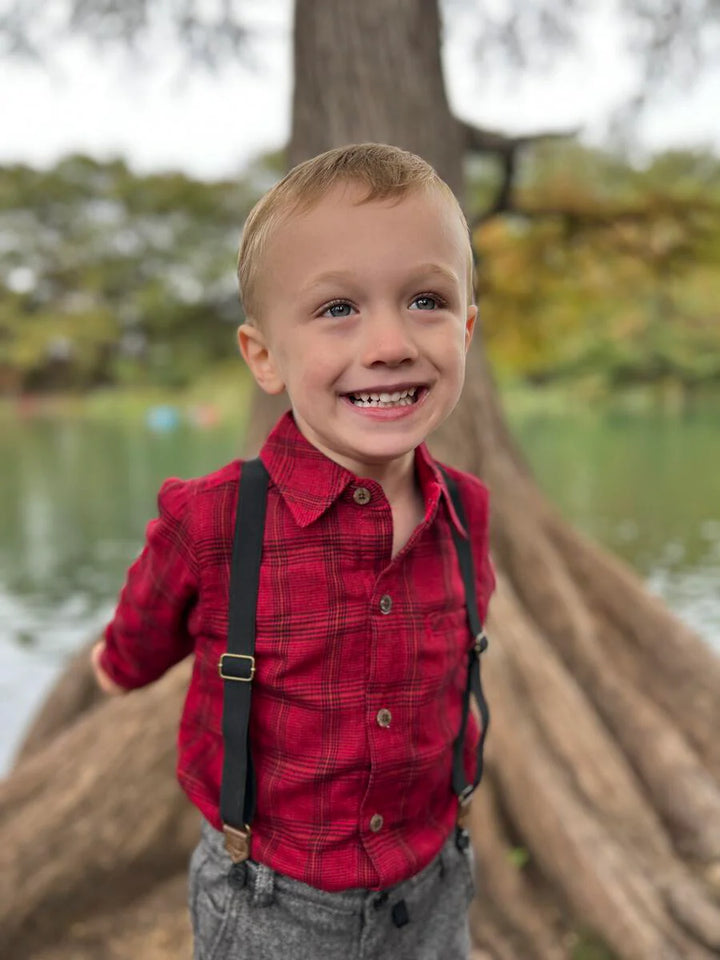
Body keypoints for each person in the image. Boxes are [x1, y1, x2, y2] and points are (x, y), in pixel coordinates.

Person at [91, 142, 495, 960]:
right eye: (338, 309)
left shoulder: (466, 511)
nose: (389, 343)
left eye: (426, 299)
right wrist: (115, 664)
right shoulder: (212, 521)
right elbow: (139, 637)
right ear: (264, 356)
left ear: (467, 328)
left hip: (433, 882)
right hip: (273, 904)